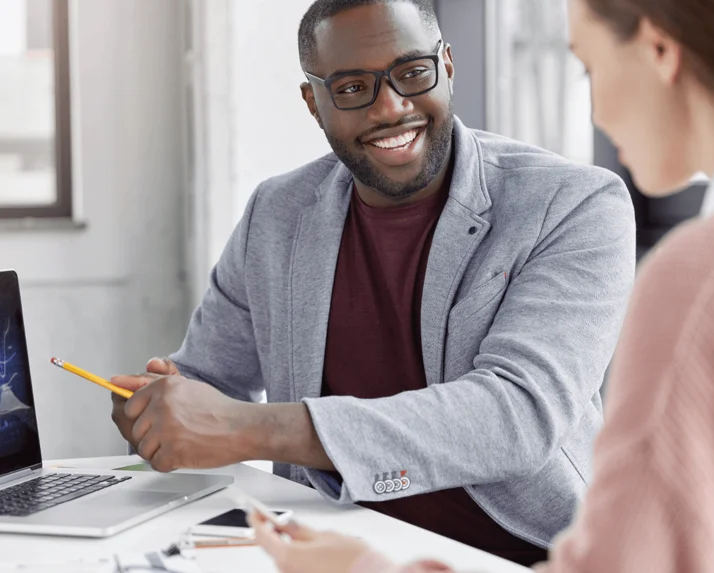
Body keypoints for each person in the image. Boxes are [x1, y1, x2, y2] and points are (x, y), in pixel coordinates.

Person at [247, 0, 714, 571]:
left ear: (658, 53)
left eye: (588, 66)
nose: (596, 113)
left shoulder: (710, 273)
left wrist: (363, 568)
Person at [109, 0, 636, 565]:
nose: (392, 107)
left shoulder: (573, 204)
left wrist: (251, 428)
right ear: (314, 103)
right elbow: (211, 380)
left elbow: (515, 415)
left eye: (413, 73)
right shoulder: (276, 212)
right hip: (325, 549)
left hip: (521, 553)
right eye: (354, 87)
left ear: (448, 66)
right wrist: (160, 407)